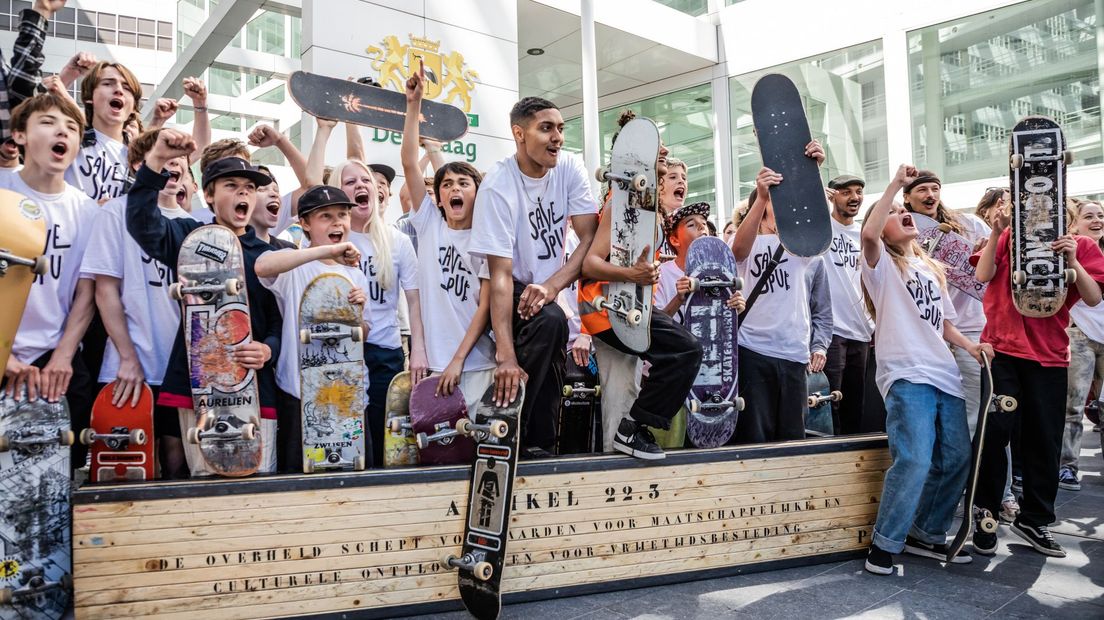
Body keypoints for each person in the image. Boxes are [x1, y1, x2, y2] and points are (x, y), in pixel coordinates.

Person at [127, 130, 282, 476]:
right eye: (231, 185)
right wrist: (155, 160)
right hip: (199, 387)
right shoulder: (189, 237)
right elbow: (142, 224)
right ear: (209, 195)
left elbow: (279, 321)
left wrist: (268, 349)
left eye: (249, 187)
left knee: (260, 486)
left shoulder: (273, 255)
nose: (243, 192)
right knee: (206, 485)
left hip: (256, 389)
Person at [860, 164, 988, 575]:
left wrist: (971, 345)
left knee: (956, 458)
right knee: (913, 458)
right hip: (906, 373)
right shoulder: (880, 266)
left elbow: (944, 322)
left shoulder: (930, 269)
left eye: (905, 210)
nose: (905, 214)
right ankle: (885, 542)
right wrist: (895, 184)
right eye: (897, 213)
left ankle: (927, 532)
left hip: (944, 373)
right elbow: (868, 234)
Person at [972, 179, 1104, 558]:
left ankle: (1035, 518)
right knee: (995, 432)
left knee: (1044, 438)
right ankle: (985, 511)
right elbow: (982, 276)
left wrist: (1073, 262)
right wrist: (997, 231)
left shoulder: (1081, 245)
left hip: (1049, 354)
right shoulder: (1010, 234)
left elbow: (1094, 298)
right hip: (1002, 350)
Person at [468, 96, 598, 457]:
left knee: (553, 323)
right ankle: (524, 436)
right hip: (507, 286)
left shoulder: (570, 167)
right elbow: (499, 276)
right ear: (519, 134)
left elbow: (588, 239)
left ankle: (537, 441)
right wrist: (505, 357)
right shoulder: (497, 186)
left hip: (547, 287)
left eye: (560, 128)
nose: (557, 137)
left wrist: (552, 286)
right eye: (546, 128)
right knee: (551, 322)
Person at [579, 124, 702, 460]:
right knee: (622, 392)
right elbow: (589, 264)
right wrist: (630, 273)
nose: (663, 151)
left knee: (671, 360)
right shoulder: (622, 200)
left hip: (629, 308)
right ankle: (623, 446)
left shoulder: (648, 207)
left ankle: (632, 430)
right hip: (604, 311)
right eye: (656, 147)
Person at [308, 117, 425, 467]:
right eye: (350, 181)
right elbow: (310, 185)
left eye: (367, 181)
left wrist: (417, 351)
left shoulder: (397, 240)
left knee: (383, 438)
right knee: (341, 437)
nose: (362, 185)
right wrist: (330, 127)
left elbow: (415, 300)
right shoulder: (328, 238)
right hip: (338, 350)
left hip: (385, 352)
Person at [81, 128, 196, 479]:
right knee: (131, 465)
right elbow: (105, 291)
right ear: (140, 167)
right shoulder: (116, 212)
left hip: (185, 369)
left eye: (181, 162)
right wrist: (128, 357)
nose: (173, 164)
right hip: (130, 365)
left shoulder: (201, 225)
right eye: (164, 157)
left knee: (180, 462)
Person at [0, 92, 98, 472]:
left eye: (72, 128)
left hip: (56, 356)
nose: (62, 132)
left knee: (61, 470)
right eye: (48, 122)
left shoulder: (87, 211)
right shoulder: (3, 191)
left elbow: (86, 291)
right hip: (5, 350)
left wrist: (63, 355)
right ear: (20, 136)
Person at [399, 66, 495, 413]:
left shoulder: (488, 239)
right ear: (438, 197)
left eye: (464, 183)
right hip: (434, 362)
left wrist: (459, 359)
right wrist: (414, 106)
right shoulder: (429, 225)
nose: (455, 188)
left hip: (480, 363)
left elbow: (485, 308)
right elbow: (409, 163)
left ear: (478, 193)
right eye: (447, 184)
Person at [256, 185, 370, 471]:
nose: (337, 222)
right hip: (300, 395)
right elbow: (262, 266)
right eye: (325, 216)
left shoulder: (355, 273)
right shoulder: (295, 267)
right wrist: (327, 250)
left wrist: (358, 316)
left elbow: (364, 336)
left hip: (348, 399)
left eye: (343, 215)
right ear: (304, 223)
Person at [728, 142, 824, 444]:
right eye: (775, 201)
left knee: (792, 437)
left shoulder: (801, 244)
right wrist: (762, 197)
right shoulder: (749, 238)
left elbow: (815, 218)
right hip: (753, 349)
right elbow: (737, 253)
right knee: (754, 435)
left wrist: (812, 174)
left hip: (794, 351)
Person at [904, 171, 991, 439]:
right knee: (942, 411)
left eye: (934, 189)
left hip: (970, 328)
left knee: (978, 409)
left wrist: (989, 248)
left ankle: (980, 477)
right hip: (930, 333)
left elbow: (1000, 259)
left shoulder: (970, 223)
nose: (930, 195)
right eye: (922, 190)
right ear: (907, 197)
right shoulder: (903, 230)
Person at [823, 174, 874, 435]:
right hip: (831, 330)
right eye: (845, 192)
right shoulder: (822, 228)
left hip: (863, 330)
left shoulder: (865, 233)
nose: (854, 197)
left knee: (855, 405)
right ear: (832, 196)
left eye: (858, 191)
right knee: (830, 401)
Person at [1060, 198, 1104, 492]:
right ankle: (1067, 466)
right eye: (1089, 216)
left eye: (1101, 215)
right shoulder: (1065, 251)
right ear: (1074, 224)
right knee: (1072, 405)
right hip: (1079, 335)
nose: (1097, 220)